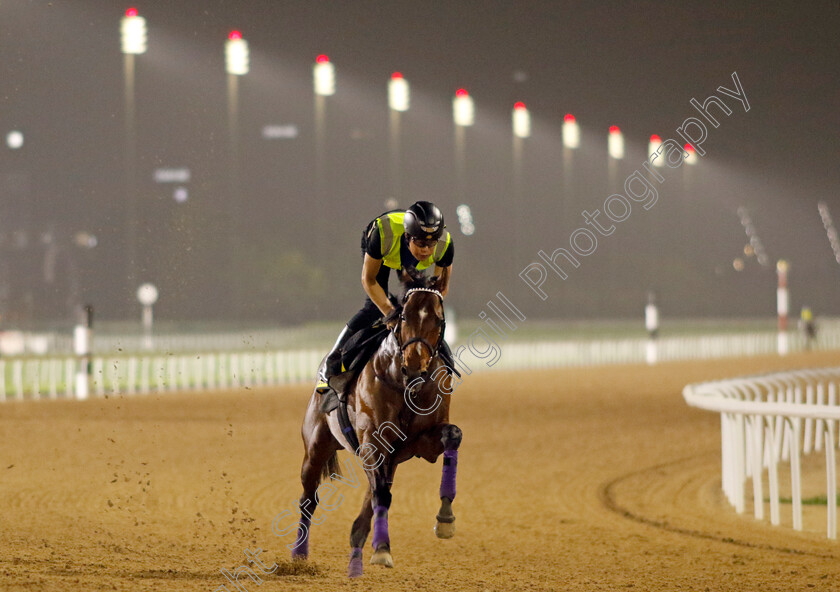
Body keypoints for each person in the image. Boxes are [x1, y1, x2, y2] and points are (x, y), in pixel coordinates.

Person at [316, 201, 454, 398]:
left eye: (431, 244)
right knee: (373, 308)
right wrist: (390, 313)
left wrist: (419, 312)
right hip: (384, 249)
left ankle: (447, 366)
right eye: (421, 244)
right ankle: (331, 363)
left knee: (420, 311)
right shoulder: (382, 234)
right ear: (408, 237)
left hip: (406, 258)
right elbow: (369, 280)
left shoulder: (445, 245)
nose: (426, 251)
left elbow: (439, 291)